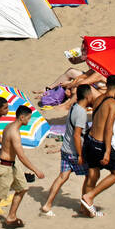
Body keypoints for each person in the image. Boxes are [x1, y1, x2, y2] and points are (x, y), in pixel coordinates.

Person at [40, 84, 93, 216]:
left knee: (62, 176)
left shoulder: (74, 107)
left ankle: (47, 204)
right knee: (89, 177)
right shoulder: (81, 112)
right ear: (87, 96)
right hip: (74, 151)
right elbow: (77, 135)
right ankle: (83, 206)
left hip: (65, 148)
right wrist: (80, 155)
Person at [0, 104, 44, 228]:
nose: (29, 120)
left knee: (22, 188)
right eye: (28, 118)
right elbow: (21, 156)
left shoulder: (9, 126)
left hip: (11, 164)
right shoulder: (14, 132)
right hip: (4, 166)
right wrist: (36, 170)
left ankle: (11, 217)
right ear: (22, 117)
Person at [80, 74, 115, 217]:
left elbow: (96, 119)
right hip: (100, 144)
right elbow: (108, 128)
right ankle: (90, 196)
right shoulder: (114, 104)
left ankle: (85, 208)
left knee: (93, 175)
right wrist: (107, 152)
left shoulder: (98, 98)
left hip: (90, 141)